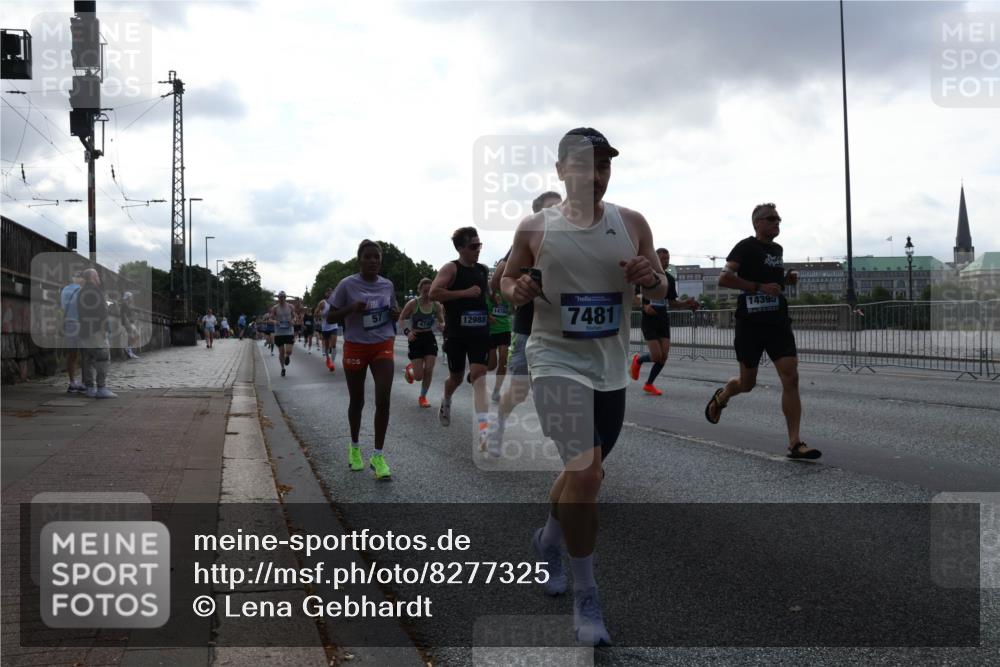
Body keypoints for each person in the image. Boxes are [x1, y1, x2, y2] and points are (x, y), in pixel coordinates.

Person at [500, 128, 666, 646]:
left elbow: (661, 284)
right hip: (553, 359)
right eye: (583, 165)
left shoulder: (632, 223)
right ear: (560, 171)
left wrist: (650, 276)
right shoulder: (536, 227)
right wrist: (517, 287)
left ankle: (547, 540)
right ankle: (587, 596)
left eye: (603, 166)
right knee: (587, 473)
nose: (595, 176)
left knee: (583, 476)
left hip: (608, 368)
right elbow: (504, 281)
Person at [704, 203, 820, 460]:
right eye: (771, 219)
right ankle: (723, 395)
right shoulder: (745, 246)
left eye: (778, 219)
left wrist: (785, 280)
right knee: (747, 383)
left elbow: (773, 284)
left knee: (791, 378)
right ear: (757, 223)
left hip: (777, 321)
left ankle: (795, 443)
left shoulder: (777, 249)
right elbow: (724, 278)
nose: (777, 222)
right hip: (751, 324)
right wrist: (757, 287)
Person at [486, 191, 562, 452]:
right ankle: (498, 426)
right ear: (537, 215)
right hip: (528, 327)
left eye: (561, 207)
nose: (558, 213)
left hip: (562, 331)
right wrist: (518, 289)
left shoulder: (574, 238)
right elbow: (497, 281)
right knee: (519, 391)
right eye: (551, 209)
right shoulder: (530, 238)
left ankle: (582, 453)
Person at [327, 240, 398, 480]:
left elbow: (393, 308)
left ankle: (378, 456)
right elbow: (330, 316)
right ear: (360, 260)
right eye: (368, 257)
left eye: (376, 257)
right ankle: (355, 447)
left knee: (383, 398)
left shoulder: (387, 284)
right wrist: (350, 308)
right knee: (357, 401)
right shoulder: (347, 284)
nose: (373, 261)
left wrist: (395, 313)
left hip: (382, 344)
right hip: (356, 346)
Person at [429, 227, 492, 446]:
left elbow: (482, 297)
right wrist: (464, 293)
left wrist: (489, 311)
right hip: (456, 333)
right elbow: (434, 293)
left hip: (479, 332)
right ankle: (446, 399)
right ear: (460, 248)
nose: (478, 250)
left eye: (479, 245)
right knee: (455, 378)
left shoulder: (482, 270)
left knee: (479, 376)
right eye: (473, 246)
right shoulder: (451, 268)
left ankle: (484, 430)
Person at [629, 248, 699, 395]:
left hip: (662, 318)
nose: (666, 261)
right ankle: (638, 360)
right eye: (663, 259)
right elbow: (633, 296)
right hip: (649, 319)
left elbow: (672, 303)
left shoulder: (670, 279)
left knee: (664, 356)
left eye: (668, 259)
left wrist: (687, 303)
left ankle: (649, 384)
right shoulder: (645, 275)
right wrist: (644, 306)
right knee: (656, 356)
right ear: (655, 259)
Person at [398, 277, 445, 408]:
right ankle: (411, 370)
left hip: (429, 337)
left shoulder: (436, 305)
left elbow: (441, 321)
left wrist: (442, 325)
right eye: (425, 291)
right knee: (418, 376)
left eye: (430, 291)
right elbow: (401, 319)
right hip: (416, 338)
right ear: (420, 290)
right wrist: (408, 332)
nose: (427, 294)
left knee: (429, 369)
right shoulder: (413, 304)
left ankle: (423, 397)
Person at [76, 268, 118, 399]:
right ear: (93, 277)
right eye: (98, 276)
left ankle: (89, 388)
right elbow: (102, 312)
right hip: (96, 331)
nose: (99, 279)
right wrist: (104, 330)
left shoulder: (81, 292)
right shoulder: (97, 291)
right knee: (102, 359)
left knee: (87, 361)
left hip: (84, 331)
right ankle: (101, 388)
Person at [487, 269, 513, 404]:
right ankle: (478, 370)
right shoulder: (490, 292)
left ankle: (496, 390)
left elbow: (512, 309)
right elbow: (483, 309)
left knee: (503, 360)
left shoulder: (507, 290)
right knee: (492, 365)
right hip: (491, 331)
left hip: (504, 329)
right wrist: (489, 317)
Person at [60, 271, 85, 393]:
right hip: (80, 324)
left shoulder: (64, 290)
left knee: (72, 355)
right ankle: (84, 382)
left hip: (68, 324)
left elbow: (63, 307)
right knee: (85, 354)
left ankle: (72, 382)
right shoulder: (82, 290)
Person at [269, 292, 296, 376]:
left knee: (289, 351)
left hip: (289, 331)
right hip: (279, 333)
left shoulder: (290, 306)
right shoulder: (275, 308)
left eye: (283, 297)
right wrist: (275, 322)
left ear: (285, 298)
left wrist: (293, 321)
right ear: (278, 298)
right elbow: (270, 319)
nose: (281, 299)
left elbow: (295, 316)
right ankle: (282, 368)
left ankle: (287, 357)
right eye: (280, 297)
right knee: (281, 352)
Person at [316, 287, 339, 372]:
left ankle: (332, 363)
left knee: (333, 345)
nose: (330, 294)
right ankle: (328, 359)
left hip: (334, 326)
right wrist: (322, 314)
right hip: (325, 327)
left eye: (331, 292)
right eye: (328, 292)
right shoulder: (323, 303)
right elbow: (316, 313)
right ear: (325, 294)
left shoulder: (335, 302)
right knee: (326, 346)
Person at [120, 291, 140, 358]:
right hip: (127, 322)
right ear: (128, 297)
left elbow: (130, 313)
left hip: (131, 322)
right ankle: (129, 351)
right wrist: (127, 323)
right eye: (131, 297)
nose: (132, 298)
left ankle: (128, 348)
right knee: (131, 336)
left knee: (137, 335)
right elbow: (124, 315)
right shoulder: (124, 304)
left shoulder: (128, 304)